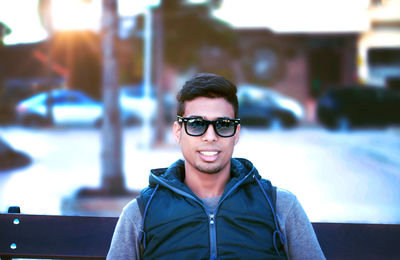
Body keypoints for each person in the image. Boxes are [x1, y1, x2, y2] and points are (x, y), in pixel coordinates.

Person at [107, 73, 325, 260]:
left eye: (223, 124)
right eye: (196, 124)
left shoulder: (280, 206)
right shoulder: (140, 214)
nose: (210, 136)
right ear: (177, 132)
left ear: (236, 134)